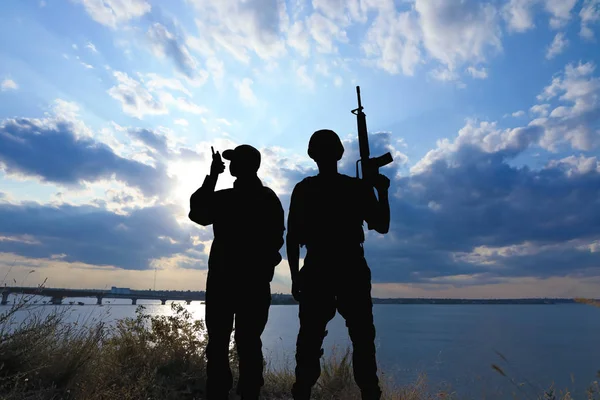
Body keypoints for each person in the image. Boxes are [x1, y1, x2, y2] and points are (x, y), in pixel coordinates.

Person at [286, 129, 390, 400]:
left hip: (319, 268)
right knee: (362, 340)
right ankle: (369, 392)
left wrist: (296, 278)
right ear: (340, 153)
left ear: (312, 155)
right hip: (349, 268)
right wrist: (382, 191)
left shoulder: (305, 189)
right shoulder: (355, 188)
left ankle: (303, 392)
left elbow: (292, 239)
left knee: (310, 340)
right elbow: (382, 225)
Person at [189, 144, 285, 400]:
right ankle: (249, 395)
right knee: (250, 344)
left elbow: (197, 212)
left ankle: (218, 394)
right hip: (254, 284)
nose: (229, 165)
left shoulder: (223, 199)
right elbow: (278, 239)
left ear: (240, 166)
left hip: (222, 283)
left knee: (219, 345)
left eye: (233, 161)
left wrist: (212, 177)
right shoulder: (268, 198)